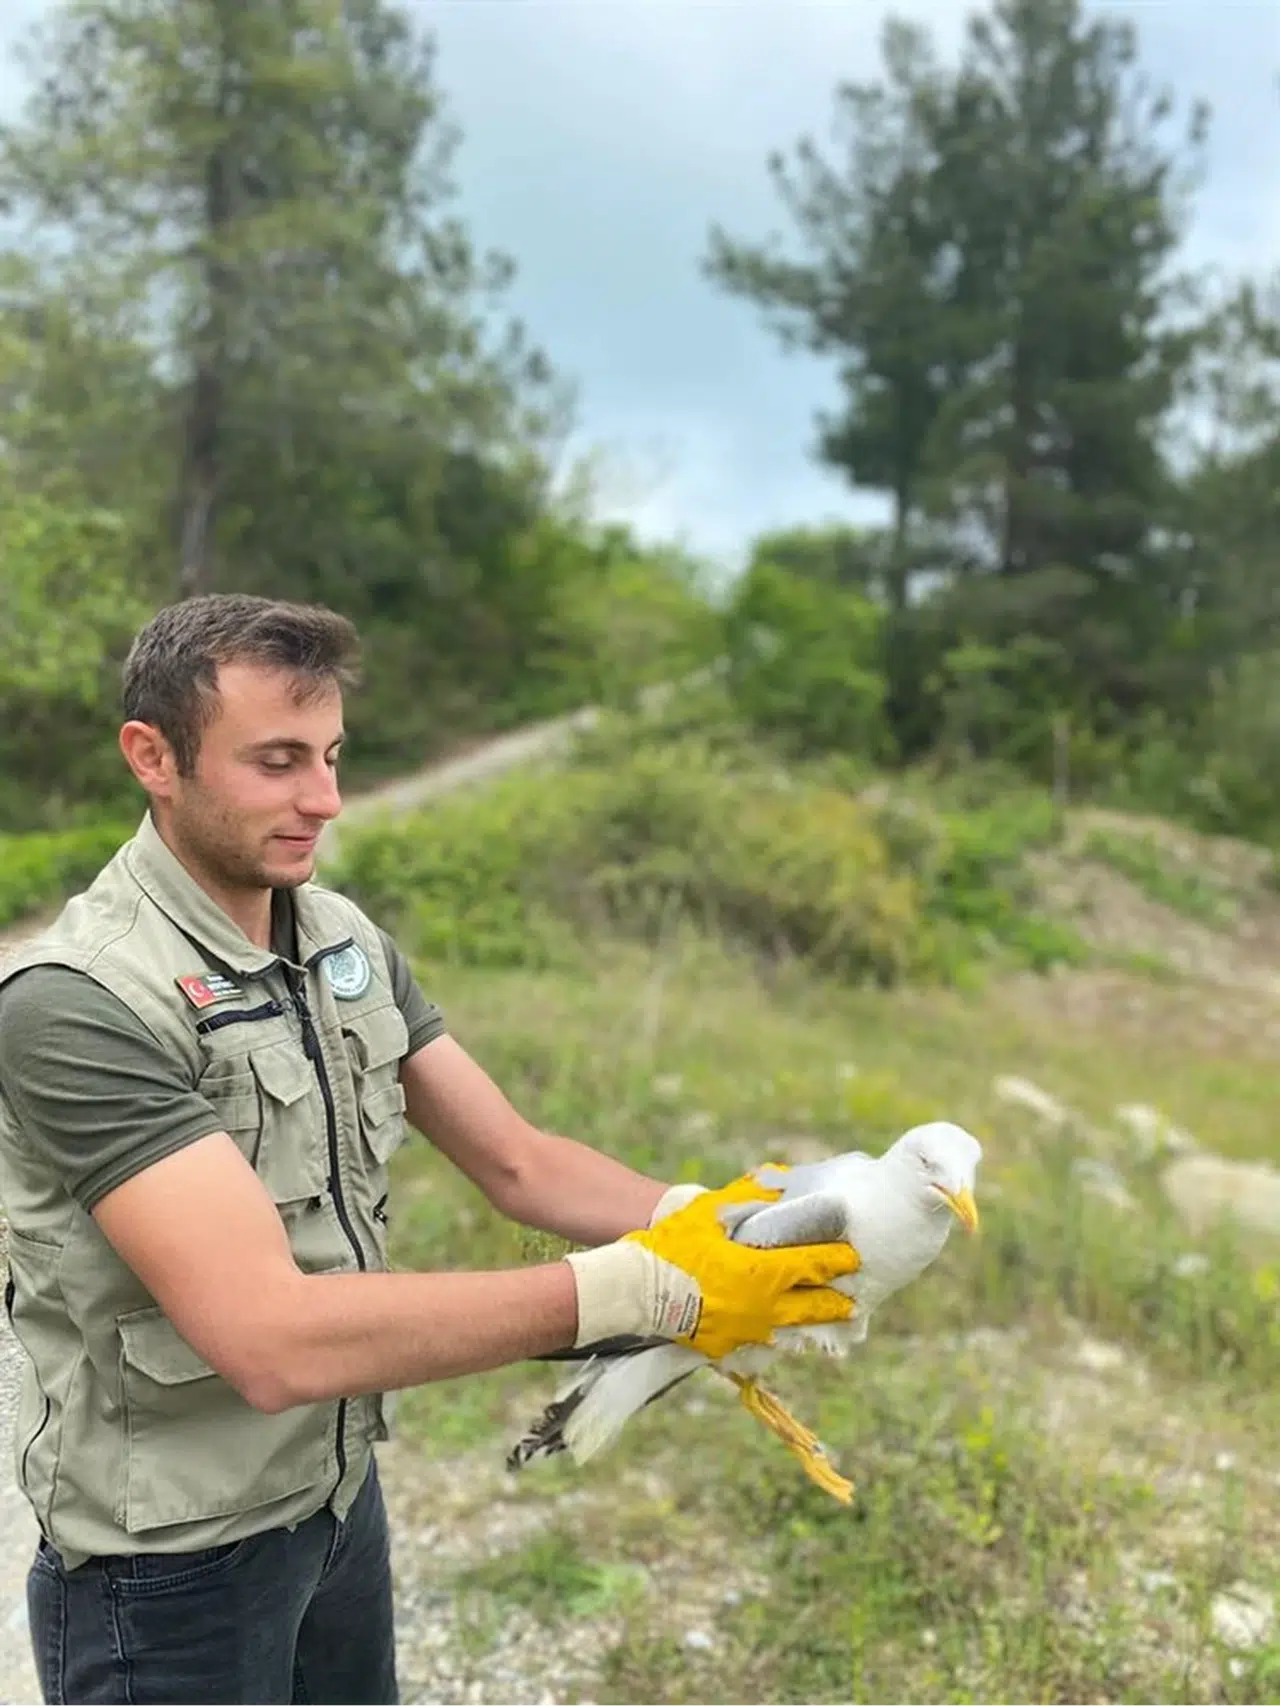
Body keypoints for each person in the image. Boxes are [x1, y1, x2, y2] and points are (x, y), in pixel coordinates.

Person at [0, 594, 857, 1707]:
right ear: (152, 758)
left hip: (336, 1502)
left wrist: (719, 1219)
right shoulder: (77, 1003)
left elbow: (520, 1163)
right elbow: (269, 1340)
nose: (325, 799)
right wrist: (641, 1289)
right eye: (277, 761)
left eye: (332, 756)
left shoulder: (339, 937)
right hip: (168, 1568)